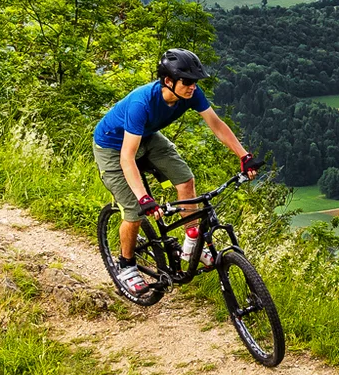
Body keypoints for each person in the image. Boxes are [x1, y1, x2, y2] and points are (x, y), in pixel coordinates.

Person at [94, 47, 257, 297]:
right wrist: (143, 198)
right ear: (168, 81)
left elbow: (216, 124)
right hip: (113, 147)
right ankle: (126, 266)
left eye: (195, 82)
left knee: (186, 180)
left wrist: (244, 156)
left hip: (146, 138)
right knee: (134, 211)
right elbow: (127, 157)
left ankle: (190, 244)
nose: (193, 86)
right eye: (187, 82)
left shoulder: (191, 94)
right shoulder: (141, 103)